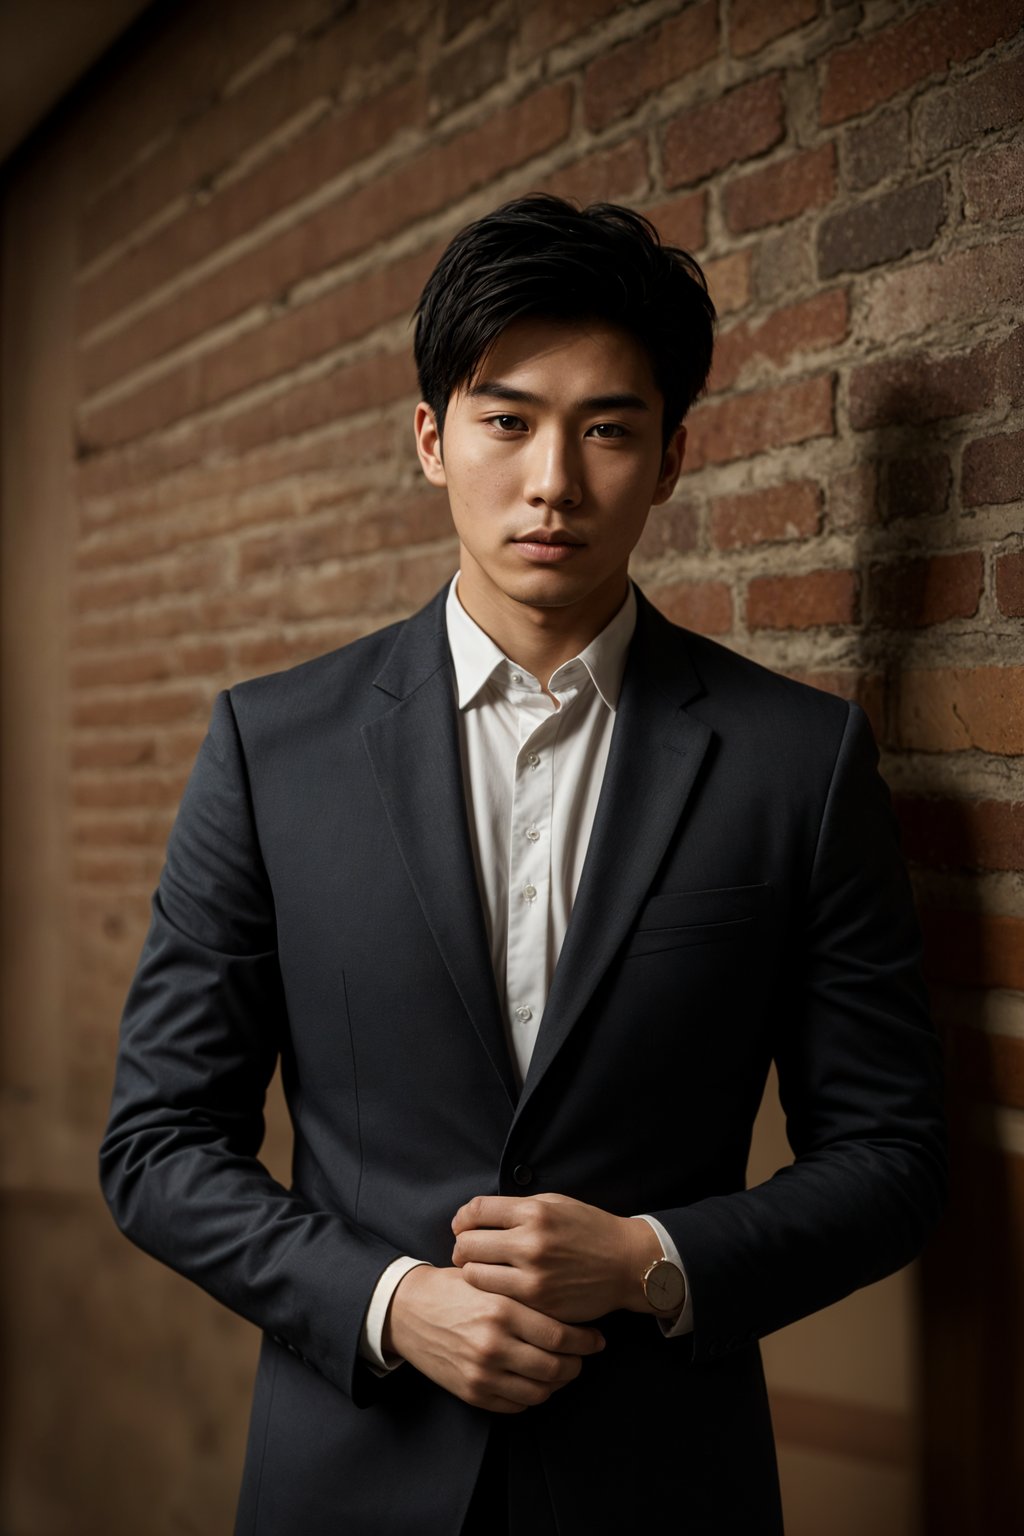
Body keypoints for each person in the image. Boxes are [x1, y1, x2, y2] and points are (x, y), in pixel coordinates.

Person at [100, 195, 946, 1535]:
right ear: (432, 440)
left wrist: (653, 1261)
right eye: (507, 422)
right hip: (350, 1476)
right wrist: (390, 1303)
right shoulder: (273, 748)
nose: (554, 479)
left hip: (663, 1483)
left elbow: (895, 1157)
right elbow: (155, 1145)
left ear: (670, 458)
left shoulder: (802, 763)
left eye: (608, 429)